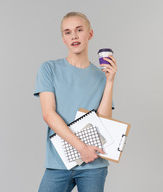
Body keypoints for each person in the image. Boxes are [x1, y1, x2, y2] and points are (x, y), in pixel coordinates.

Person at [34, 12, 117, 192]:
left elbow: (104, 120)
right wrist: (82, 148)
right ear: (63, 38)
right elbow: (48, 114)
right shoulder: (49, 69)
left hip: (93, 163)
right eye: (68, 32)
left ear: (90, 34)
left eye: (79, 30)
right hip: (58, 162)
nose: (74, 36)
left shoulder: (101, 76)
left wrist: (109, 82)